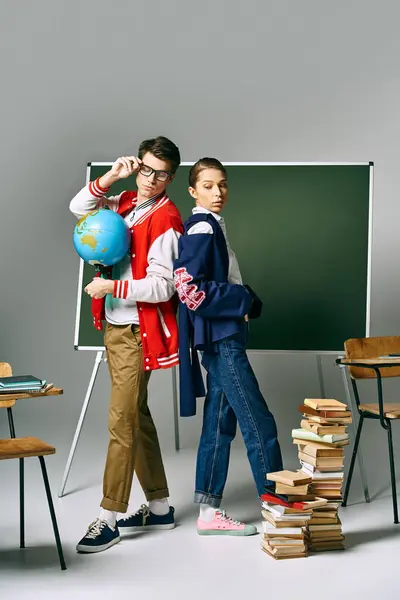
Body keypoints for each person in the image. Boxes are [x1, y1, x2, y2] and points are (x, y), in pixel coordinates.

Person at [69, 136, 183, 553]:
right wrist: (114, 176)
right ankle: (161, 507)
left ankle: (109, 516)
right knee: (137, 416)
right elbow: (78, 210)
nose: (152, 179)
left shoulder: (166, 219)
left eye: (162, 174)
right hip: (116, 325)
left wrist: (109, 284)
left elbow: (162, 286)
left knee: (121, 422)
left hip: (138, 332)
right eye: (147, 169)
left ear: (172, 177)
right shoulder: (125, 201)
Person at [173, 157, 283, 536]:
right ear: (193, 191)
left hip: (224, 336)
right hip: (221, 340)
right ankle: (280, 507)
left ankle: (208, 513)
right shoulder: (202, 226)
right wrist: (244, 300)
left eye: (222, 184)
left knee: (219, 425)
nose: (217, 192)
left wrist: (242, 302)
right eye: (207, 185)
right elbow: (188, 289)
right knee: (259, 422)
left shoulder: (213, 225)